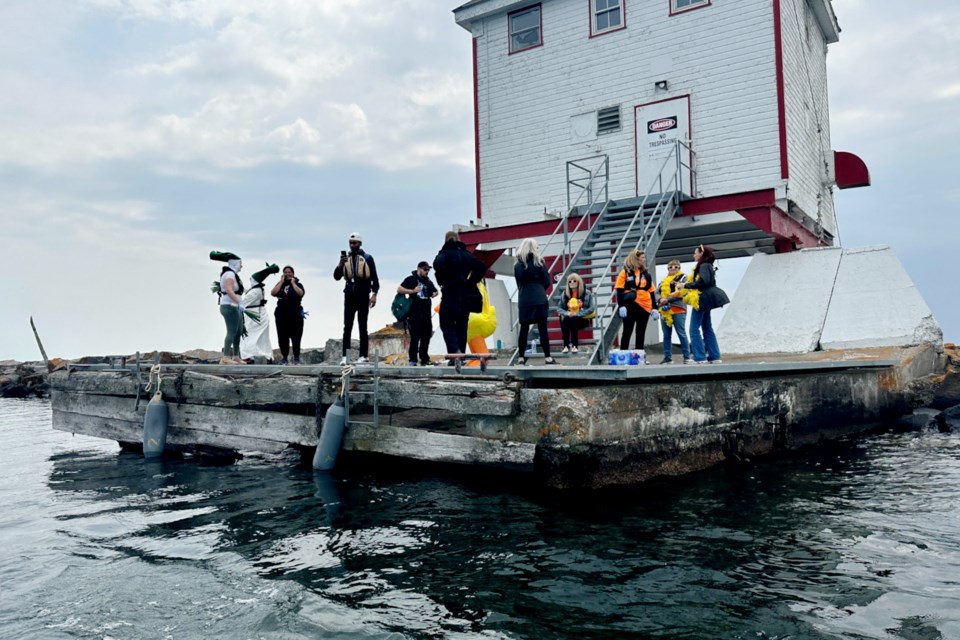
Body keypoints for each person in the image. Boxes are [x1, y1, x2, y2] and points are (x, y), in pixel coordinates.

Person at [433, 230, 487, 358]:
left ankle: (454, 351)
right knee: (462, 325)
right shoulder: (467, 255)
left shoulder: (444, 254)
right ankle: (460, 355)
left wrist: (441, 281)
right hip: (465, 294)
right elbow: (481, 267)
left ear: (446, 240)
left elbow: (437, 265)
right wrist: (471, 281)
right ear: (458, 239)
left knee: (446, 323)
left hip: (450, 293)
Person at [675, 244, 730, 364]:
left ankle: (700, 357)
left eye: (695, 252)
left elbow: (703, 282)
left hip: (701, 299)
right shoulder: (708, 265)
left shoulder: (704, 265)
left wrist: (686, 285)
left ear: (701, 254)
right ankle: (714, 356)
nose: (693, 255)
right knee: (707, 327)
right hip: (707, 299)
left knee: (694, 328)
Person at [333, 233, 379, 365]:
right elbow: (336, 277)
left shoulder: (367, 258)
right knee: (347, 326)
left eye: (355, 243)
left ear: (360, 243)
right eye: (350, 243)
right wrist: (340, 264)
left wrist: (374, 294)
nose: (352, 245)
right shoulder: (345, 259)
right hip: (349, 294)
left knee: (362, 324)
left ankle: (363, 355)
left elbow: (375, 278)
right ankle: (345, 356)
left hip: (363, 293)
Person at [513, 238, 556, 365]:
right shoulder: (539, 262)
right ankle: (547, 357)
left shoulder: (517, 265)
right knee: (542, 329)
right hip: (539, 298)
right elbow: (547, 281)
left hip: (525, 299)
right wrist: (539, 289)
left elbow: (518, 283)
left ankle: (521, 358)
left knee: (524, 329)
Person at [397, 261, 439, 366]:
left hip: (426, 313)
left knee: (426, 336)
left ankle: (424, 358)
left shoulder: (428, 281)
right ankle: (413, 360)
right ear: (419, 269)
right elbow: (399, 289)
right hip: (415, 314)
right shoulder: (411, 279)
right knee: (415, 337)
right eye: (425, 269)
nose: (427, 271)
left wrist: (434, 293)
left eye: (428, 270)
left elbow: (435, 291)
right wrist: (412, 291)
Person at [615, 249, 657, 351]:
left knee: (641, 331)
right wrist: (621, 306)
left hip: (645, 306)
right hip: (631, 304)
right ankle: (623, 354)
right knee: (627, 330)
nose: (644, 260)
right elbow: (619, 290)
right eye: (642, 258)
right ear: (636, 259)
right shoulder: (625, 272)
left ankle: (640, 355)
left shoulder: (646, 273)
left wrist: (654, 308)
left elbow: (651, 291)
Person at [240, 263, 280, 362]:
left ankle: (249, 356)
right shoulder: (256, 289)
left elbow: (243, 303)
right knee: (258, 337)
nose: (250, 281)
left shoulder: (255, 291)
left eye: (251, 279)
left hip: (255, 315)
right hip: (257, 314)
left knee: (251, 336)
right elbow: (245, 289)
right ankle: (262, 356)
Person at [656, 259, 692, 364]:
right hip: (665, 310)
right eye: (670, 267)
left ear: (679, 268)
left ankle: (687, 357)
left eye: (676, 267)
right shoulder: (663, 281)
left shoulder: (684, 278)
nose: (673, 269)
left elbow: (681, 293)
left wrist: (667, 299)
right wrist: (659, 300)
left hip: (679, 310)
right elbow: (656, 292)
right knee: (666, 335)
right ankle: (667, 357)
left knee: (681, 333)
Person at [213, 252, 244, 364]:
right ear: (235, 263)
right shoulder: (230, 275)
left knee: (239, 331)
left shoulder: (232, 274)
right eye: (240, 263)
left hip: (235, 306)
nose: (241, 266)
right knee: (232, 331)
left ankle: (236, 356)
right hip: (229, 305)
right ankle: (225, 357)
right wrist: (239, 302)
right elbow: (229, 289)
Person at [271, 265, 305, 365]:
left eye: (289, 272)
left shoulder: (298, 284)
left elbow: (301, 293)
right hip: (282, 312)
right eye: (285, 272)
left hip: (295, 312)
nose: (287, 274)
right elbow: (273, 293)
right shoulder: (280, 284)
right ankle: (284, 357)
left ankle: (297, 358)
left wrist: (293, 283)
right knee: (282, 336)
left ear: (293, 274)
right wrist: (281, 282)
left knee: (296, 336)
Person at [559, 272, 595, 354]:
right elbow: (559, 308)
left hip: (582, 319)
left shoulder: (587, 293)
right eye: (570, 281)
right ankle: (566, 346)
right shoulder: (565, 294)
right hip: (568, 319)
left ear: (579, 282)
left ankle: (575, 345)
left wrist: (578, 314)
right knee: (567, 318)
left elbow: (592, 308)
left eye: (574, 281)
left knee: (573, 318)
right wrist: (567, 313)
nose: (572, 283)